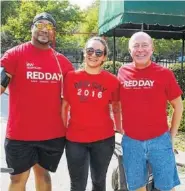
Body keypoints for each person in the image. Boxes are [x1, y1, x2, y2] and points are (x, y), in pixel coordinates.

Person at [0, 12, 73, 191]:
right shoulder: (14, 55)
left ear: (53, 32)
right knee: (18, 178)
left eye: (49, 26)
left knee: (44, 176)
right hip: (20, 134)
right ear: (31, 28)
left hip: (52, 134)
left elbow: (75, 97)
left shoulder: (62, 62)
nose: (44, 29)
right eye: (39, 25)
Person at [117, 31, 183, 191]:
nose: (140, 49)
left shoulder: (165, 74)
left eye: (145, 45)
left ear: (152, 49)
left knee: (166, 187)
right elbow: (116, 104)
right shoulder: (122, 72)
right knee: (137, 187)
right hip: (132, 142)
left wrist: (171, 136)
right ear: (130, 50)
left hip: (160, 140)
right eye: (136, 46)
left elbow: (178, 106)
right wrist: (119, 128)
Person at [61, 36, 121, 191]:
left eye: (98, 52)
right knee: (77, 185)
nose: (93, 55)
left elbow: (116, 107)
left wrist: (120, 129)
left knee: (99, 182)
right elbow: (65, 106)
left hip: (103, 140)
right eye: (90, 50)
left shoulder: (112, 81)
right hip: (75, 140)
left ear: (104, 57)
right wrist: (62, 131)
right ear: (84, 52)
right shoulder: (71, 77)